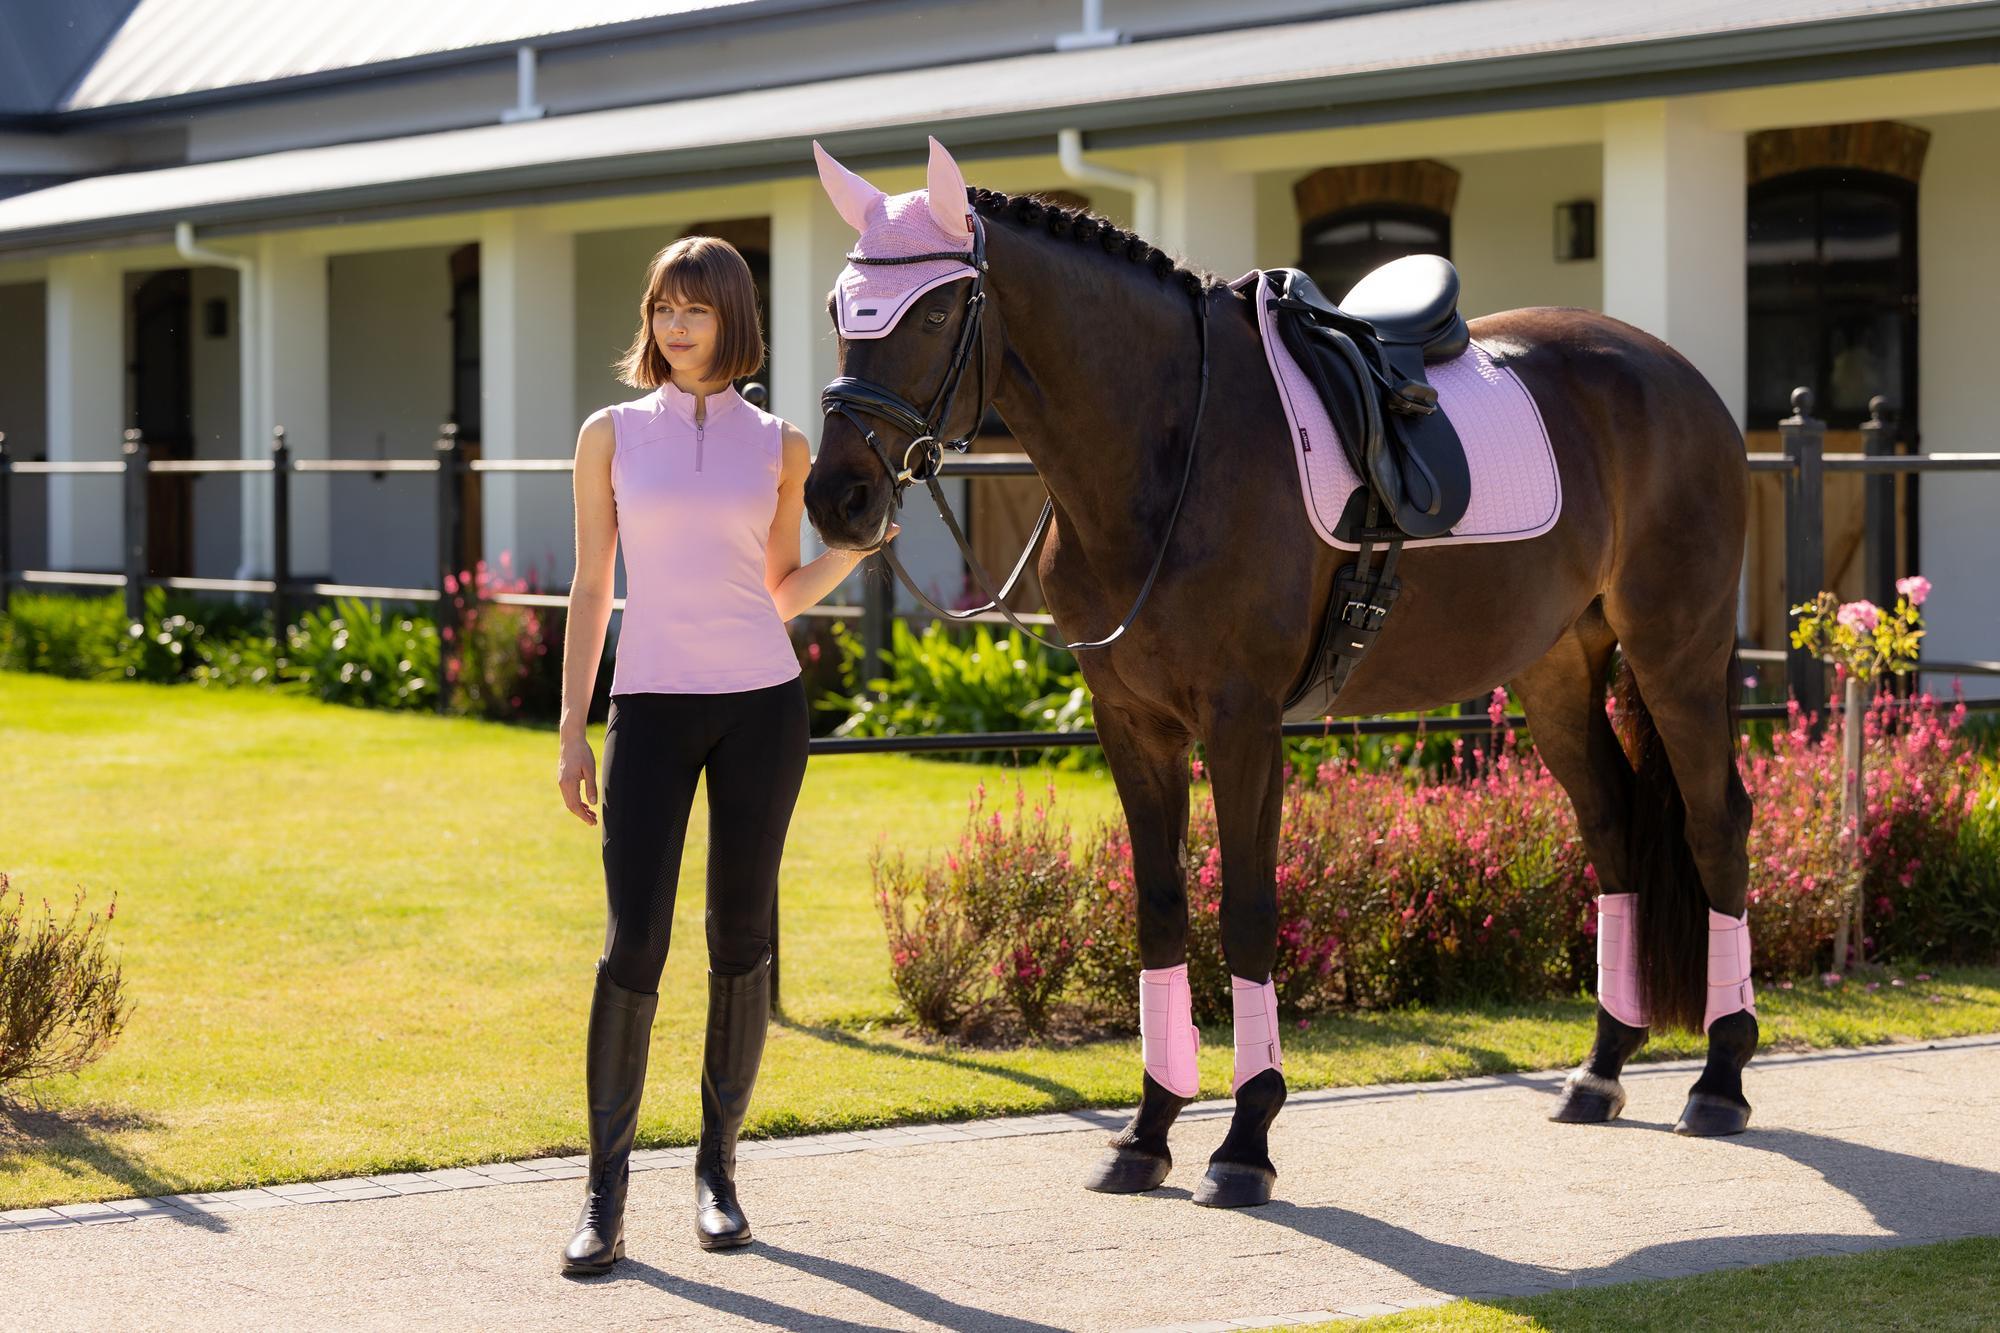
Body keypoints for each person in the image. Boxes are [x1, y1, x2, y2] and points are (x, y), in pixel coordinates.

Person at [553, 235, 891, 1275]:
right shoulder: (611, 434)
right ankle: (603, 1195)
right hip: (649, 705)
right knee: (633, 943)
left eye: (695, 310)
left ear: (732, 319)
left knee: (740, 940)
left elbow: (776, 590)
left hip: (760, 709)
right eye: (663, 308)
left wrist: (852, 551)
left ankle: (717, 1176)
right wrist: (572, 725)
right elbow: (592, 585)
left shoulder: (782, 447)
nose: (675, 327)